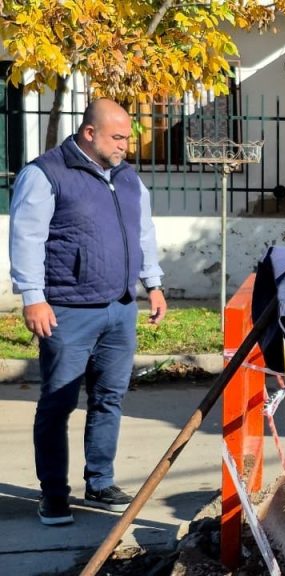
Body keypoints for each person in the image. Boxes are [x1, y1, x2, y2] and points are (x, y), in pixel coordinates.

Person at [9, 99, 167, 526]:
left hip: (119, 307)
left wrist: (152, 284)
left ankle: (99, 482)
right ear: (89, 133)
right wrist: (32, 297)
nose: (125, 146)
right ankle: (54, 495)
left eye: (128, 137)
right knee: (58, 403)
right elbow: (26, 236)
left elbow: (143, 232)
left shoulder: (128, 178)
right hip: (66, 311)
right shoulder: (45, 174)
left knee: (109, 399)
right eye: (117, 138)